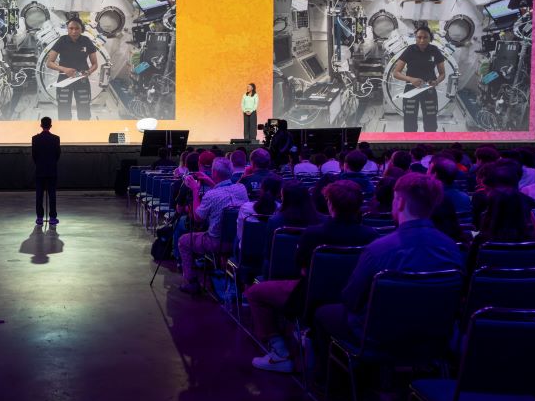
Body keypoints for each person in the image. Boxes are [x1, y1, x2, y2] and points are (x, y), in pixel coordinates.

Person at [314, 173, 464, 347]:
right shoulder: (453, 248)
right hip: (434, 336)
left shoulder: (378, 249)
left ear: (399, 202)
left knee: (322, 313)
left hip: (377, 336)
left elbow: (351, 300)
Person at [247, 181, 377, 372]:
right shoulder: (372, 235)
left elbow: (303, 270)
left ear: (330, 204)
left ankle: (280, 352)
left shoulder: (315, 233)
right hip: (353, 297)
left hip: (312, 293)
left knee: (255, 292)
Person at [177, 158, 249, 294]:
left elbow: (198, 217)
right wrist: (211, 182)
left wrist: (194, 190)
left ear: (214, 173)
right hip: (238, 241)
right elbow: (225, 192)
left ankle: (191, 282)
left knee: (184, 241)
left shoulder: (211, 195)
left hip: (216, 242)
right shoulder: (241, 188)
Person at [392, 25, 445, 132]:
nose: (422, 40)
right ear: (415, 38)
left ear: (430, 38)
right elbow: (396, 73)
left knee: (431, 122)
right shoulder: (410, 50)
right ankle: (411, 144)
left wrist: (436, 81)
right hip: (411, 89)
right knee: (409, 121)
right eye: (419, 37)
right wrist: (411, 79)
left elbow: (442, 73)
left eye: (425, 37)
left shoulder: (434, 50)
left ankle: (429, 144)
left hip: (428, 89)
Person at [46, 17, 98, 121]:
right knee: (63, 110)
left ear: (81, 29)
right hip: (64, 80)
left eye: (77, 28)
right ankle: (66, 133)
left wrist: (88, 71)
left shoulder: (86, 41)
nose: (74, 31)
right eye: (71, 28)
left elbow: (95, 64)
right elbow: (49, 63)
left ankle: (83, 133)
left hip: (82, 79)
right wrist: (64, 69)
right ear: (67, 29)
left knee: (84, 112)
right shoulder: (62, 41)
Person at [32, 116, 61, 225]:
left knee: (39, 195)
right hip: (51, 170)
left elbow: (34, 155)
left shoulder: (35, 139)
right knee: (52, 195)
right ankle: (52, 218)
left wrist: (39, 164)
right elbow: (58, 154)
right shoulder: (56, 138)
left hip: (40, 170)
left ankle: (39, 218)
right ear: (50, 126)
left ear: (41, 125)